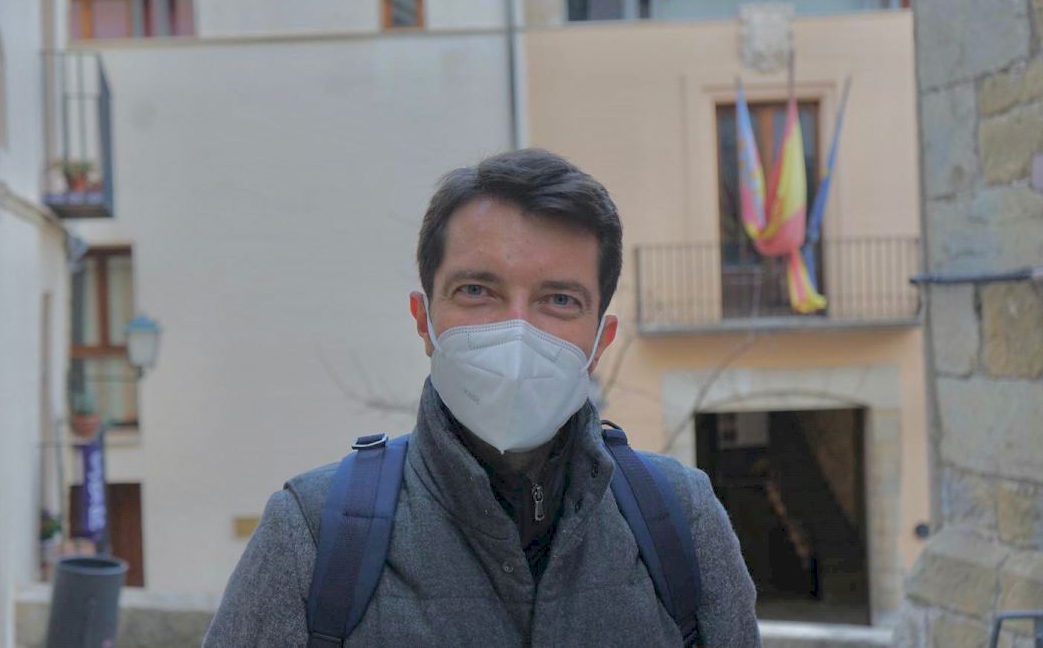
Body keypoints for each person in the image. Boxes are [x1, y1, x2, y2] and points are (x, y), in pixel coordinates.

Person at [203, 149, 759, 646]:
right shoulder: (313, 531)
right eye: (476, 290)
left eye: (559, 300)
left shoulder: (682, 518)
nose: (517, 331)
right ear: (424, 321)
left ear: (599, 342)